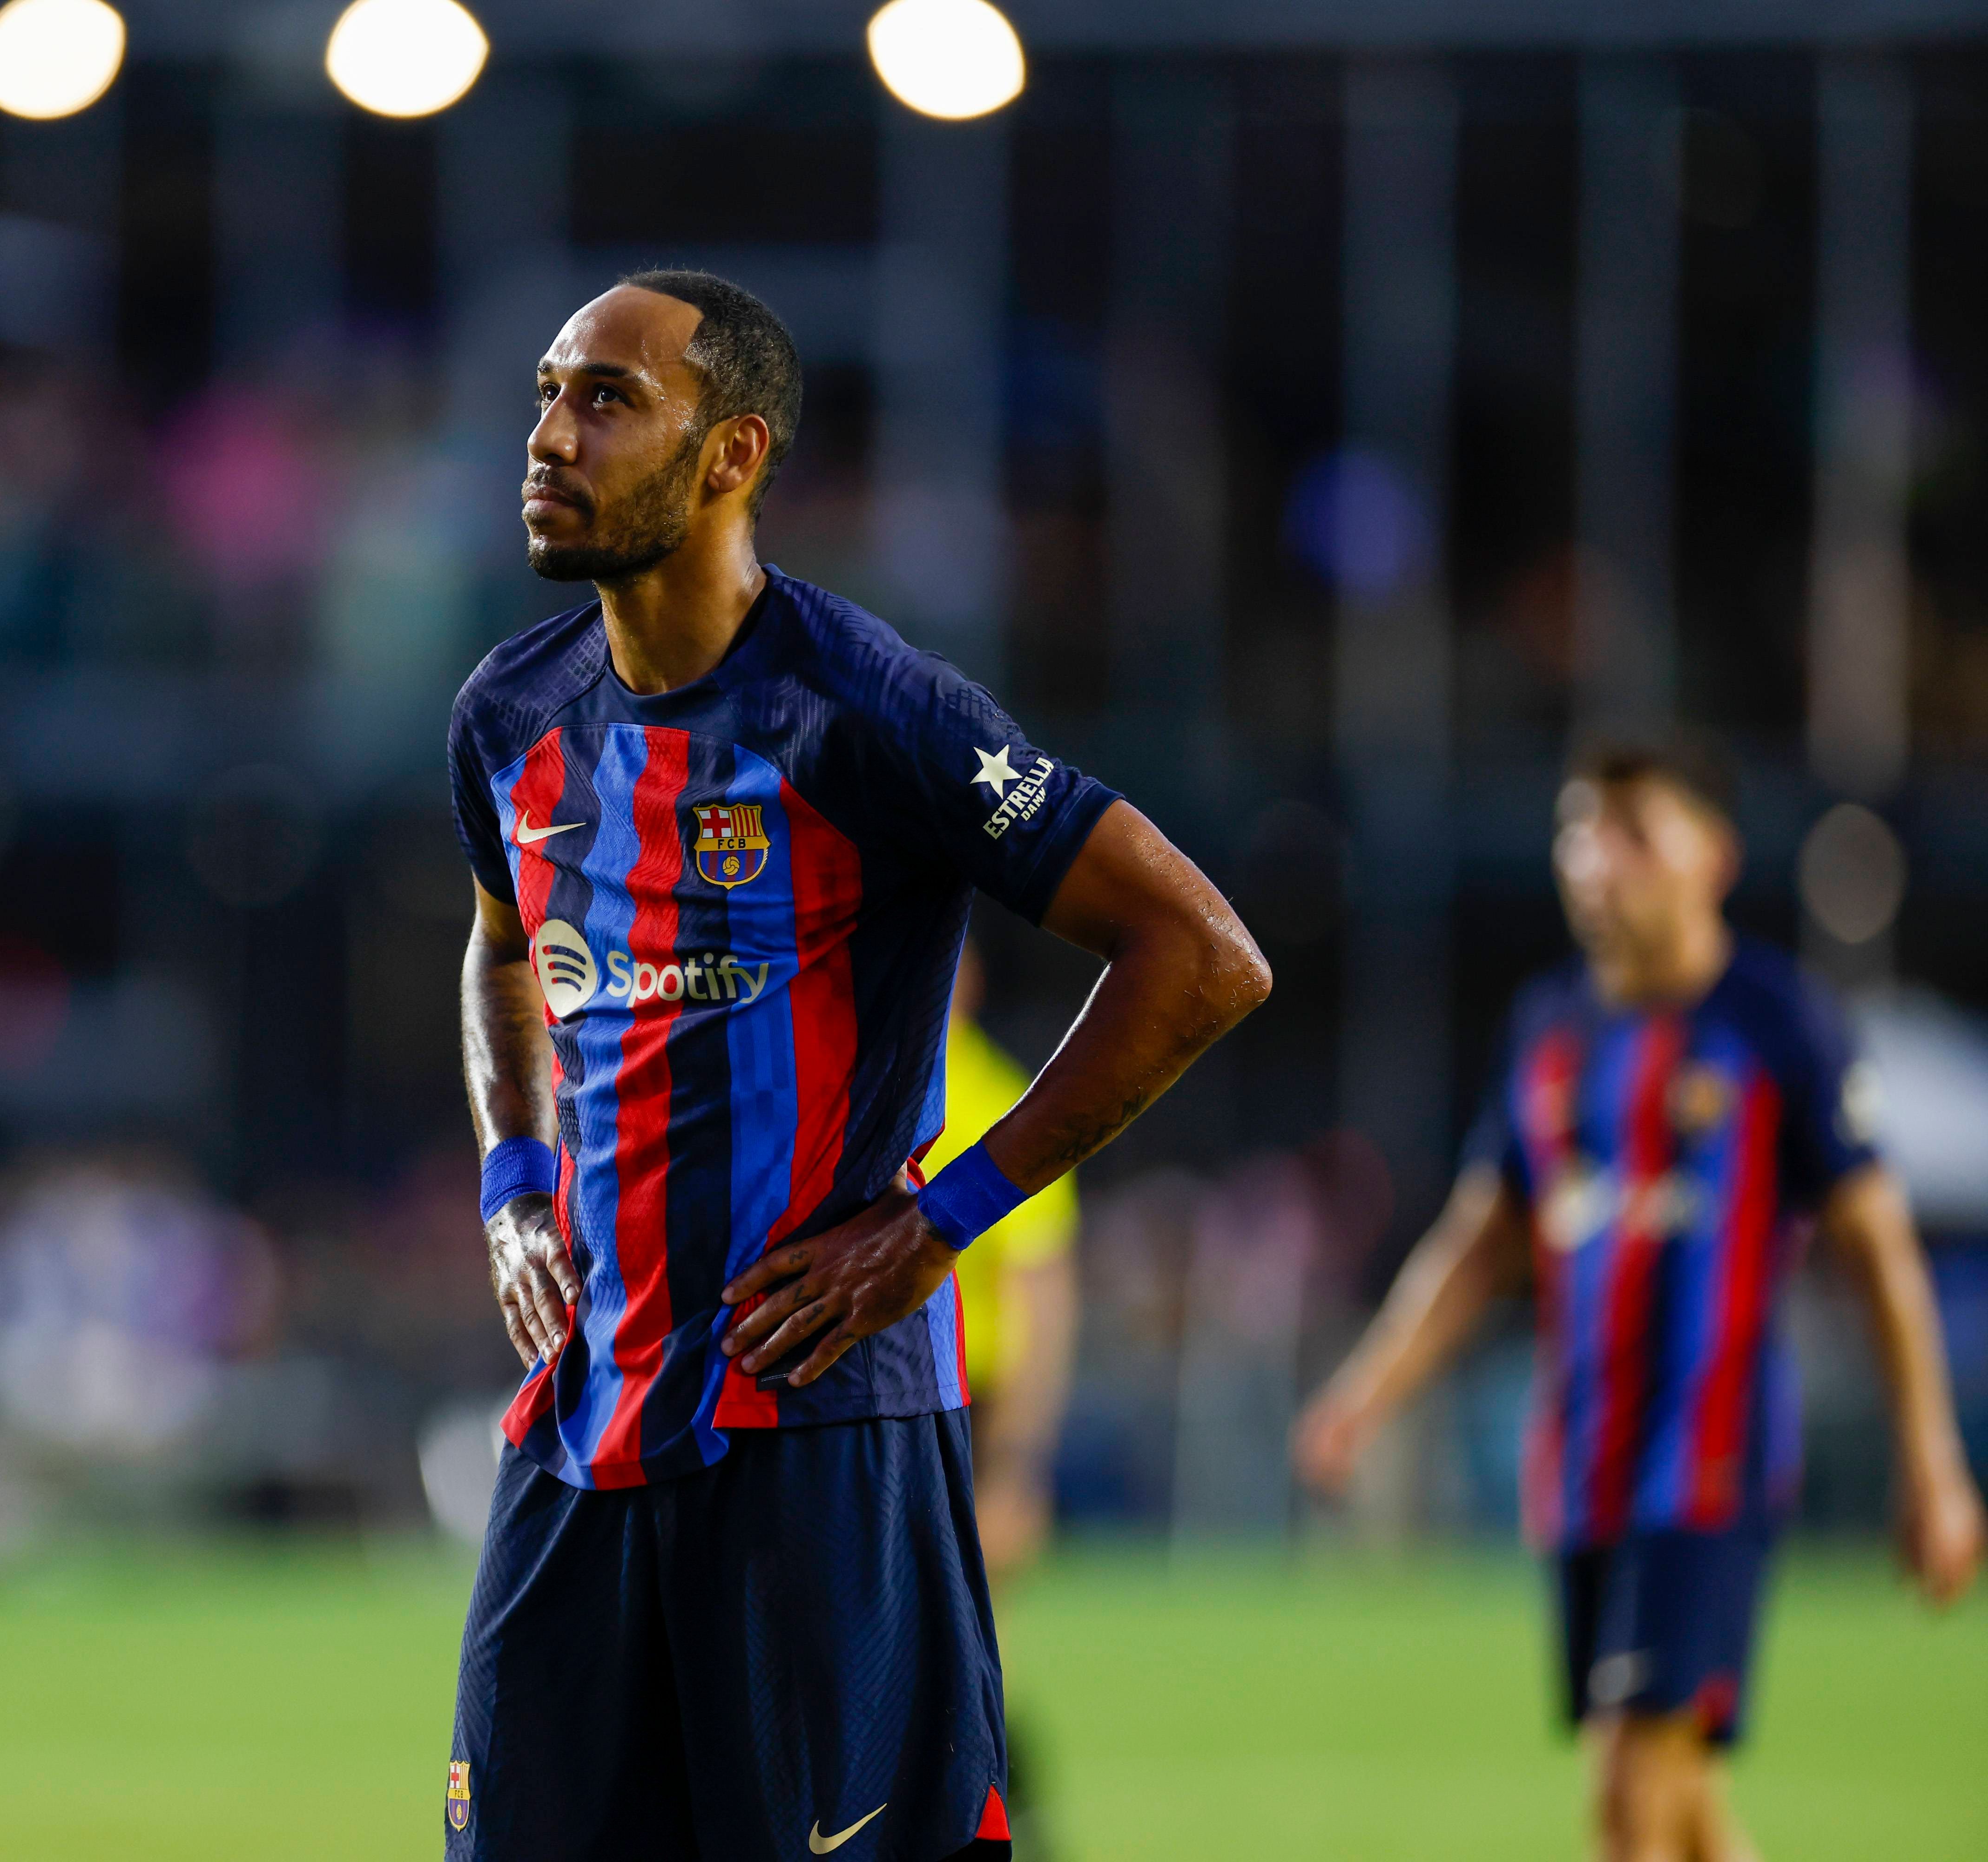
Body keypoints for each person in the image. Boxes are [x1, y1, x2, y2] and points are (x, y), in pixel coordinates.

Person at [445, 270, 1270, 1862]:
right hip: (581, 1423)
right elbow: (496, 952)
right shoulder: (510, 713)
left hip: (814, 1439)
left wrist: (943, 1218)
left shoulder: (868, 711)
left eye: (608, 401)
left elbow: (1201, 955)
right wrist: (512, 1179)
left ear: (733, 455)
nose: (551, 436)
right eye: (549, 394)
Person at [1293, 745, 1983, 1862]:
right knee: (1687, 1805)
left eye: (1633, 834)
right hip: (1583, 1467)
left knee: (1630, 1794)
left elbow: (1879, 1248)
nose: (1597, 863)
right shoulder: (1550, 1028)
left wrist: (1932, 1459)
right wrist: (1364, 1393)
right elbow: (1481, 1240)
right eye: (1581, 833)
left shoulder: (1776, 1021)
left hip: (1710, 1466)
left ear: (1713, 855)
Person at [933, 944, 1082, 1862]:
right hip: (876, 1396)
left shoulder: (997, 1098)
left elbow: (1041, 1292)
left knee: (955, 1645)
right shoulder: (845, 1072)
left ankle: (1008, 1818)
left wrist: (1017, 1463)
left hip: (964, 1407)